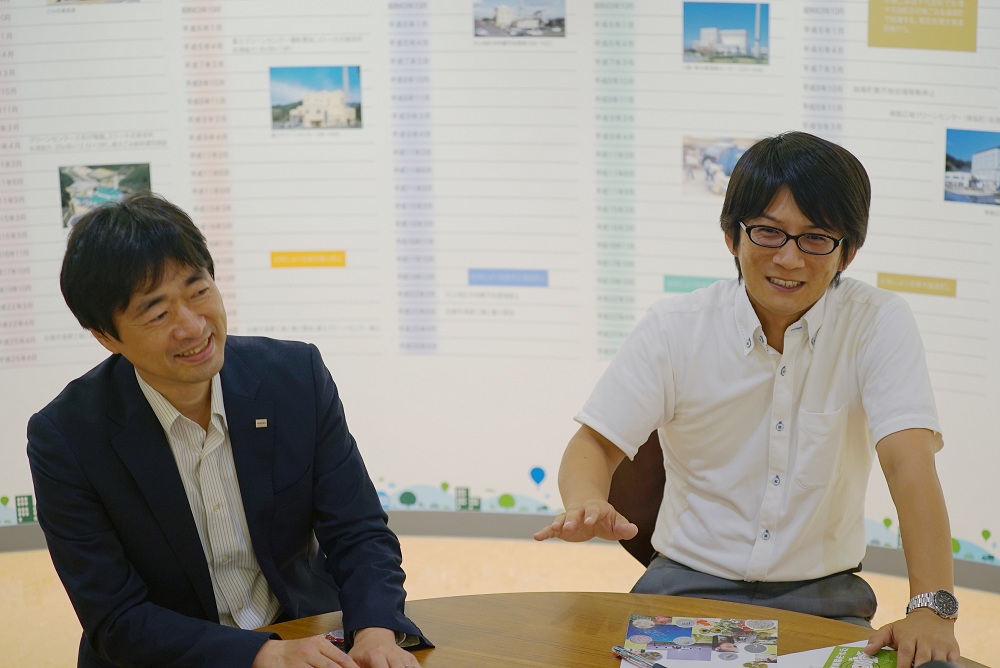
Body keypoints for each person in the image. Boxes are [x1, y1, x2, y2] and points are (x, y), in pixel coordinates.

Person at [534, 131, 961, 668]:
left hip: (826, 598)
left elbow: (910, 465)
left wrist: (932, 608)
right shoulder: (676, 327)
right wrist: (587, 499)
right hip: (685, 586)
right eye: (768, 232)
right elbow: (594, 445)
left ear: (847, 253)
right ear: (732, 237)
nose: (788, 259)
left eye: (816, 238)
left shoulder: (877, 322)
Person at [27, 192, 430, 668]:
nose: (193, 327)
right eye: (158, 314)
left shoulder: (294, 377)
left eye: (199, 291)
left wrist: (375, 632)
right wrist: (262, 655)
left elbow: (358, 532)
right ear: (106, 337)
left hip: (300, 632)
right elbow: (117, 617)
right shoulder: (67, 438)